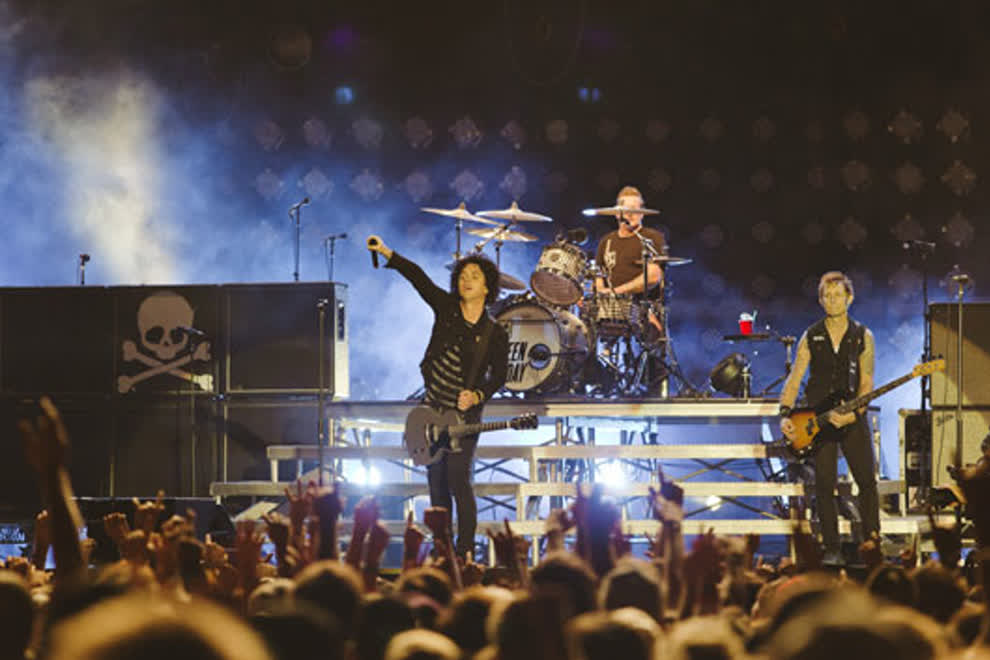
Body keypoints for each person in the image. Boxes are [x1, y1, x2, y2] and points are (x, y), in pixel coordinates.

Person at [367, 236, 509, 559]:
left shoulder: (495, 332)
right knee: (437, 482)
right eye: (462, 275)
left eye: (475, 276)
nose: (466, 280)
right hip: (432, 409)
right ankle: (443, 551)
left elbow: (500, 375)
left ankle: (465, 552)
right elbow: (418, 277)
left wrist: (477, 395)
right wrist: (387, 252)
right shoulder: (446, 308)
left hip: (465, 415)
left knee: (459, 478)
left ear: (487, 287)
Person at [779, 271, 879, 564]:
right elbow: (795, 378)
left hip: (851, 416)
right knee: (824, 484)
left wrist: (854, 415)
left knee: (867, 482)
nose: (833, 301)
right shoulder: (811, 335)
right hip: (819, 418)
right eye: (827, 296)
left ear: (850, 298)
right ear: (821, 300)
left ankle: (872, 543)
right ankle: (832, 549)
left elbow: (867, 382)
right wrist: (784, 413)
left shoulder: (863, 336)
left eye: (838, 295)